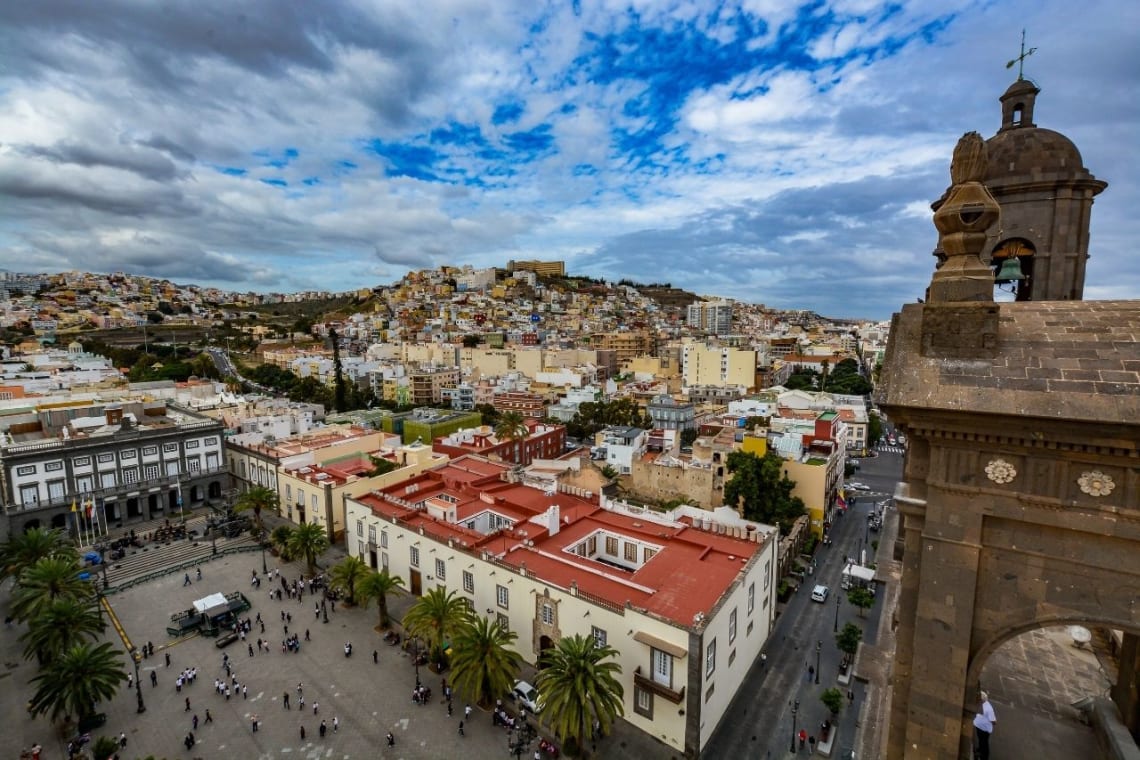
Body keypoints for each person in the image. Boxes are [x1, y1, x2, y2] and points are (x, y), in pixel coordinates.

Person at [974, 691, 996, 760]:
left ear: (981, 699)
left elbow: (993, 721)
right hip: (980, 727)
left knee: (984, 743)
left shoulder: (988, 708)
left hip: (984, 730)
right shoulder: (981, 704)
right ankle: (980, 750)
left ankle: (984, 757)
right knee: (981, 741)